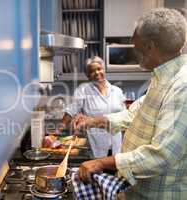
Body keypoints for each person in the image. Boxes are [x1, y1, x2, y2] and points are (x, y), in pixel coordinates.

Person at [77, 8, 187, 199]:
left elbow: (162, 155)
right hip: (136, 190)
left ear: (150, 46)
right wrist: (94, 121)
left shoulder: (182, 86)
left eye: (135, 45)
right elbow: (133, 113)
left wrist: (102, 162)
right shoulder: (162, 78)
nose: (133, 52)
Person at [62, 56, 125, 158]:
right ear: (88, 76)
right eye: (92, 71)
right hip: (95, 145)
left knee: (115, 172)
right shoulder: (83, 90)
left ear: (104, 70)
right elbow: (71, 110)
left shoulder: (117, 91)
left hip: (116, 145)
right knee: (96, 172)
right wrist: (58, 131)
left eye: (99, 69)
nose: (96, 73)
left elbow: (124, 116)